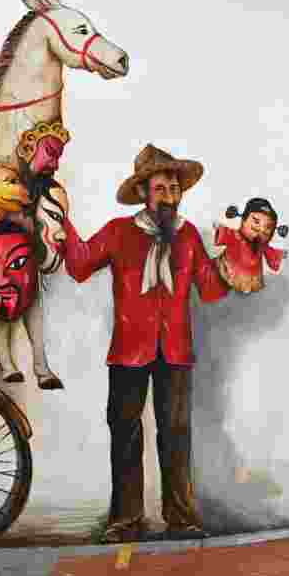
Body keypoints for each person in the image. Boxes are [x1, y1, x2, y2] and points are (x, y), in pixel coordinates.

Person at [61, 144, 234, 543]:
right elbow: (81, 264)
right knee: (124, 432)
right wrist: (61, 226)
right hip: (128, 350)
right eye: (161, 189)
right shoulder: (119, 232)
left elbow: (209, 289)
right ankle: (125, 520)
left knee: (176, 432)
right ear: (144, 193)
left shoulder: (188, 235)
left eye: (175, 189)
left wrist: (241, 255)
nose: (170, 197)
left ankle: (182, 518)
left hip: (175, 349)